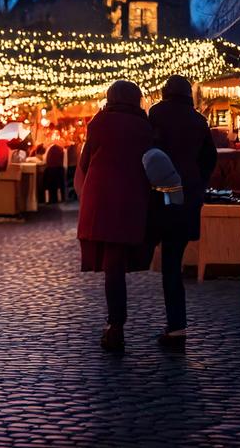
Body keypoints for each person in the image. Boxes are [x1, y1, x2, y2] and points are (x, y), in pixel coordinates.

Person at [75, 80, 154, 352]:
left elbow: (85, 163)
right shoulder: (145, 127)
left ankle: (115, 325)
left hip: (102, 200)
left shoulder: (99, 123)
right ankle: (116, 323)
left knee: (112, 267)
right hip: (132, 199)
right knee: (117, 263)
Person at [148, 75, 217, 347]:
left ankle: (119, 322)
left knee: (159, 259)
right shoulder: (198, 120)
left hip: (160, 195)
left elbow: (148, 151)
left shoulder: (157, 114)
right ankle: (176, 325)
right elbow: (209, 158)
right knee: (173, 262)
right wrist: (197, 181)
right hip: (187, 198)